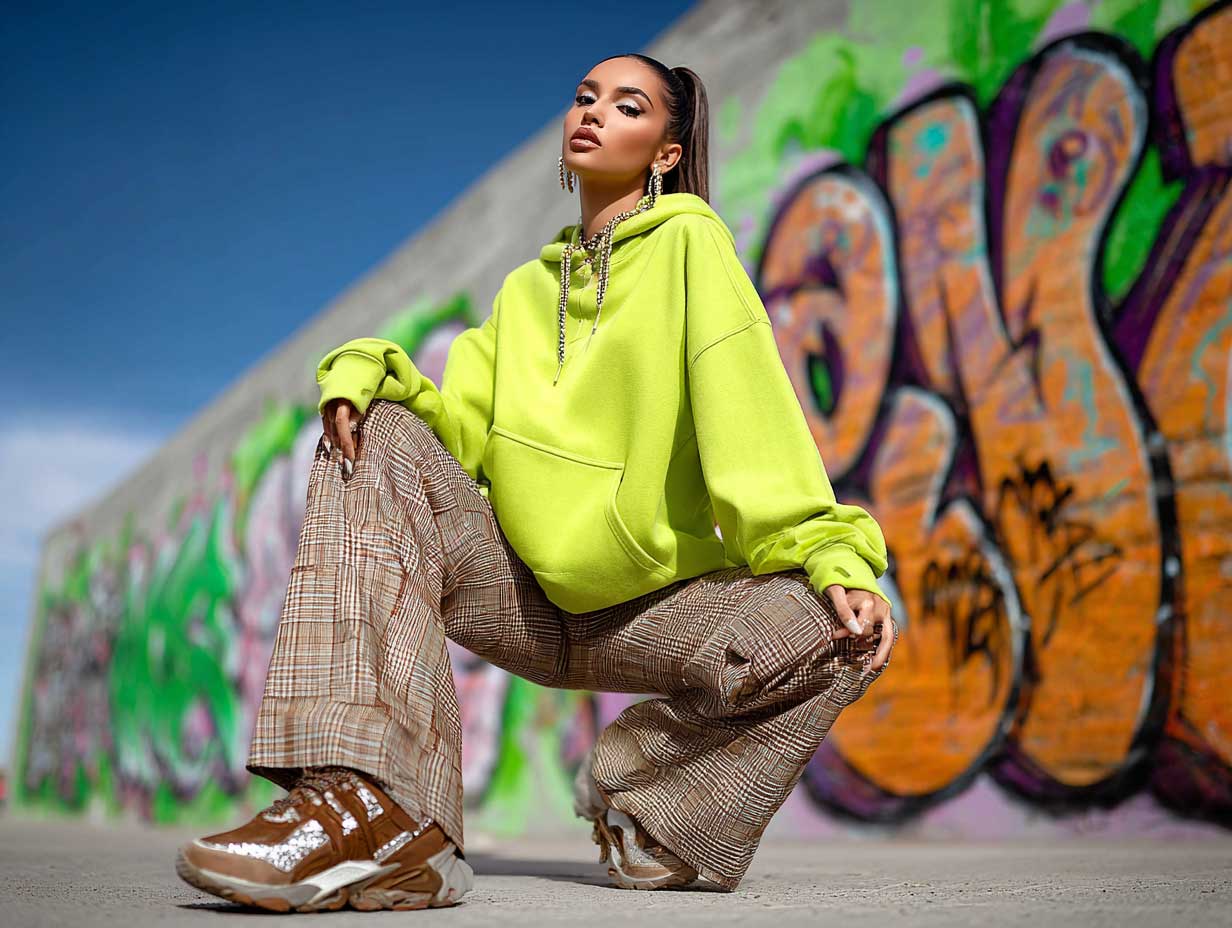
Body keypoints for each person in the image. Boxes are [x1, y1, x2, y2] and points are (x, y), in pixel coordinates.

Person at [174, 52, 897, 913]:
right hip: (519, 597)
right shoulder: (524, 293)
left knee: (842, 627)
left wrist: (830, 554)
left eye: (627, 106)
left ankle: (650, 810)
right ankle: (380, 811)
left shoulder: (691, 247)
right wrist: (366, 368)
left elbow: (754, 423)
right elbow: (453, 430)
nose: (592, 113)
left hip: (651, 611)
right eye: (584, 97)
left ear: (665, 151)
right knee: (381, 433)